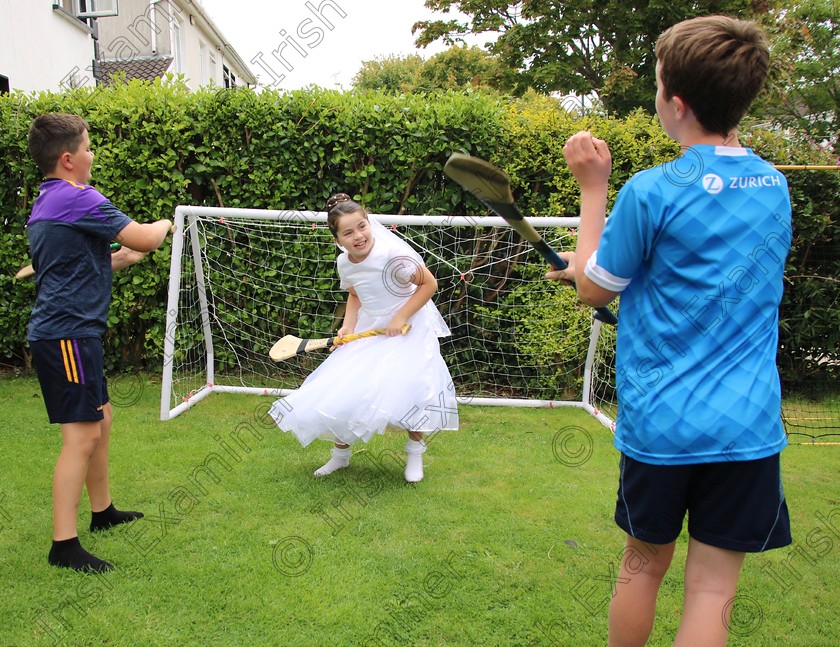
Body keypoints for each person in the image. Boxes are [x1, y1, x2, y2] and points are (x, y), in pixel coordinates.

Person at [548, 16, 792, 646]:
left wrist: (592, 189)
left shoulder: (651, 190)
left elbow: (594, 288)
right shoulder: (776, 188)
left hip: (663, 424)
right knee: (713, 589)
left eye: (657, 86)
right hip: (747, 425)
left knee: (642, 568)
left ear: (675, 104)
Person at [26, 113, 174, 573]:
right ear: (69, 159)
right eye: (88, 148)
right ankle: (63, 546)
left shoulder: (47, 201)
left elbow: (88, 265)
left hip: (74, 334)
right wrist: (168, 222)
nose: (93, 155)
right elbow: (147, 238)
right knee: (82, 436)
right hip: (66, 336)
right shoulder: (77, 197)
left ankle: (103, 512)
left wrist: (121, 256)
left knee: (102, 420)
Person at [269, 193, 458, 482]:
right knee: (347, 387)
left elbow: (429, 284)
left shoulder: (393, 256)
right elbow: (355, 293)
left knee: (412, 390)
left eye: (362, 226)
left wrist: (400, 317)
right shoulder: (344, 263)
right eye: (348, 232)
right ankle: (340, 457)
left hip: (410, 327)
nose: (358, 236)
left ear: (370, 224)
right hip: (371, 328)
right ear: (338, 240)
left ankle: (414, 454)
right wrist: (348, 326)